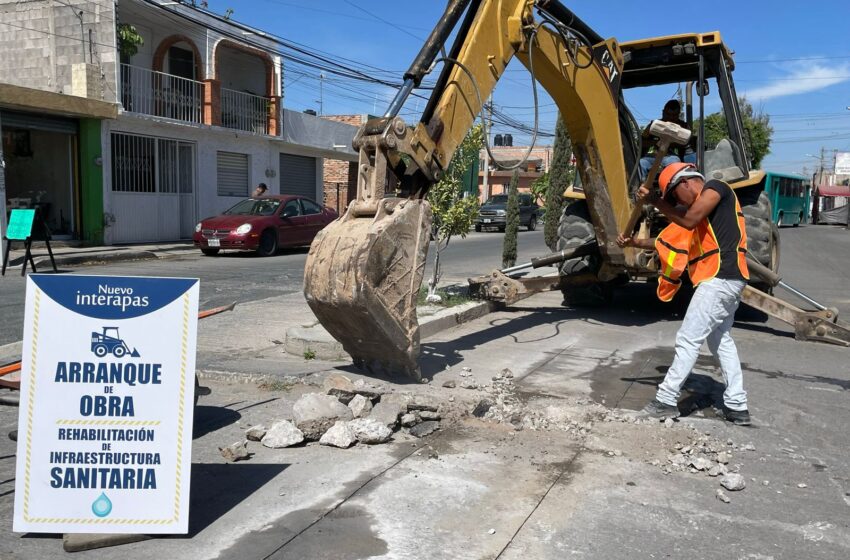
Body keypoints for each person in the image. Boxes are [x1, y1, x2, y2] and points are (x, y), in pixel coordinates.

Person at [617, 162, 752, 426]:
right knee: (720, 341)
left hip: (719, 278)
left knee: (688, 339)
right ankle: (737, 405)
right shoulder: (703, 215)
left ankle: (665, 400)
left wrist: (655, 200)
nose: (676, 202)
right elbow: (667, 239)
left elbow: (687, 219)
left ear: (686, 182)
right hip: (728, 280)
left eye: (674, 195)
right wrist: (634, 242)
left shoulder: (716, 188)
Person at [639, 100, 696, 179]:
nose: (671, 118)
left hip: (671, 156)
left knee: (674, 164)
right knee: (642, 163)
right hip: (654, 156)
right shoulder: (655, 125)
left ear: (678, 114)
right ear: (663, 112)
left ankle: (672, 188)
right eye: (668, 114)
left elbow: (688, 147)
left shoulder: (683, 127)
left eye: (674, 115)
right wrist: (655, 141)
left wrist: (672, 141)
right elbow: (642, 143)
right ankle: (642, 186)